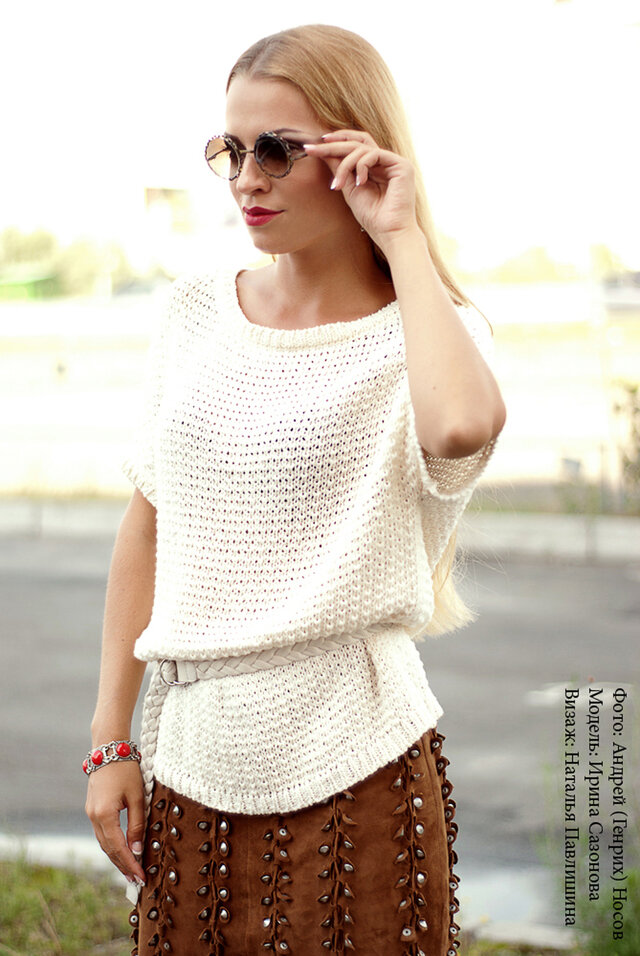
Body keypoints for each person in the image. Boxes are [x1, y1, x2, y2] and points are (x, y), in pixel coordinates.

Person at [85, 23, 506, 956]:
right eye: (230, 150)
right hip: (190, 766)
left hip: (360, 771)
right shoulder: (194, 312)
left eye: (277, 150)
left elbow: (460, 428)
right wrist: (111, 739)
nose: (247, 178)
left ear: (358, 154)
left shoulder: (430, 334)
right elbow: (147, 527)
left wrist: (401, 238)